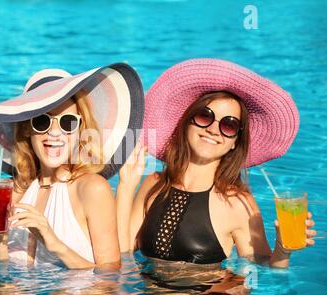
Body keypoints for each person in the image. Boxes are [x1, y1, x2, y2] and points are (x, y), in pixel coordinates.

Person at [117, 58, 316, 274]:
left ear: (235, 143)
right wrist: (126, 185)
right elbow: (121, 254)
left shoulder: (237, 203)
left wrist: (282, 250)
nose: (213, 130)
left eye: (228, 125)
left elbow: (268, 269)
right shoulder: (154, 184)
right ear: (186, 123)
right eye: (205, 116)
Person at [0, 63, 145, 270]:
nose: (55, 133)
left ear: (80, 130)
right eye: (41, 122)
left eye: (67, 122)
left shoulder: (92, 189)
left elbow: (109, 277)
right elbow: (3, 273)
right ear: (27, 130)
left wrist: (53, 243)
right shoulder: (16, 190)